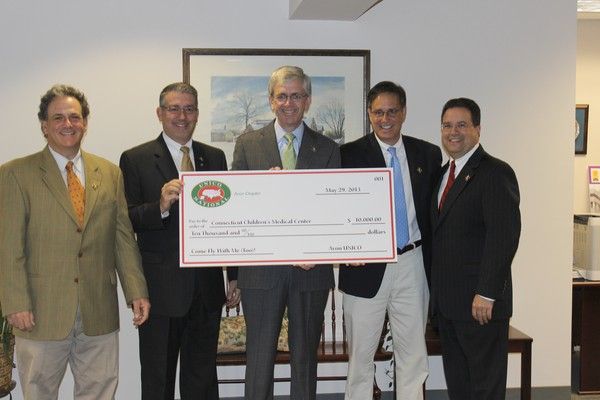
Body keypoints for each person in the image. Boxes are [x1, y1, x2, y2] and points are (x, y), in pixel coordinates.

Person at [0, 84, 150, 400]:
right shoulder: (16, 174)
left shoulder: (109, 173)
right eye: (58, 118)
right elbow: (9, 246)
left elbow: (123, 239)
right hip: (40, 312)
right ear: (44, 125)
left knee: (100, 390)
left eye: (74, 117)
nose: (67, 124)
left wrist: (136, 291)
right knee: (39, 392)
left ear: (85, 122)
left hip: (98, 309)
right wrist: (15, 303)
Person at [119, 82, 239, 400]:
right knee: (158, 381)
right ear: (159, 113)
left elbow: (228, 220)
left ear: (197, 114)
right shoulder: (135, 159)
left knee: (202, 382)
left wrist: (234, 275)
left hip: (207, 289)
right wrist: (159, 206)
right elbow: (126, 219)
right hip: (160, 291)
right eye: (174, 108)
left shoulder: (214, 157)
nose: (182, 116)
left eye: (189, 109)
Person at [231, 65, 340, 400]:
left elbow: (333, 210)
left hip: (311, 271)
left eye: (296, 96)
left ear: (307, 101)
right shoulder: (247, 144)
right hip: (260, 270)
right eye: (282, 96)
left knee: (305, 358)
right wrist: (264, 191)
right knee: (259, 358)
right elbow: (237, 207)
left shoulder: (328, 148)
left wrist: (317, 250)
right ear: (271, 100)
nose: (288, 103)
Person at [339, 81, 441, 400]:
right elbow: (335, 208)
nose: (385, 119)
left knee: (412, 356)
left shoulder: (428, 154)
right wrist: (345, 247)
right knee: (360, 358)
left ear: (404, 112)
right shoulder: (347, 154)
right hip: (365, 266)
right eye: (378, 112)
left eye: (392, 111)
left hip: (413, 263)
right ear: (369, 114)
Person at [430, 97, 521, 400]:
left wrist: (487, 292)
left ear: (477, 129)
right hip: (449, 307)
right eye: (447, 126)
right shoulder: (442, 175)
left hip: (480, 306)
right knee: (460, 387)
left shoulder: (495, 172)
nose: (453, 132)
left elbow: (503, 236)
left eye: (461, 125)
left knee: (485, 388)